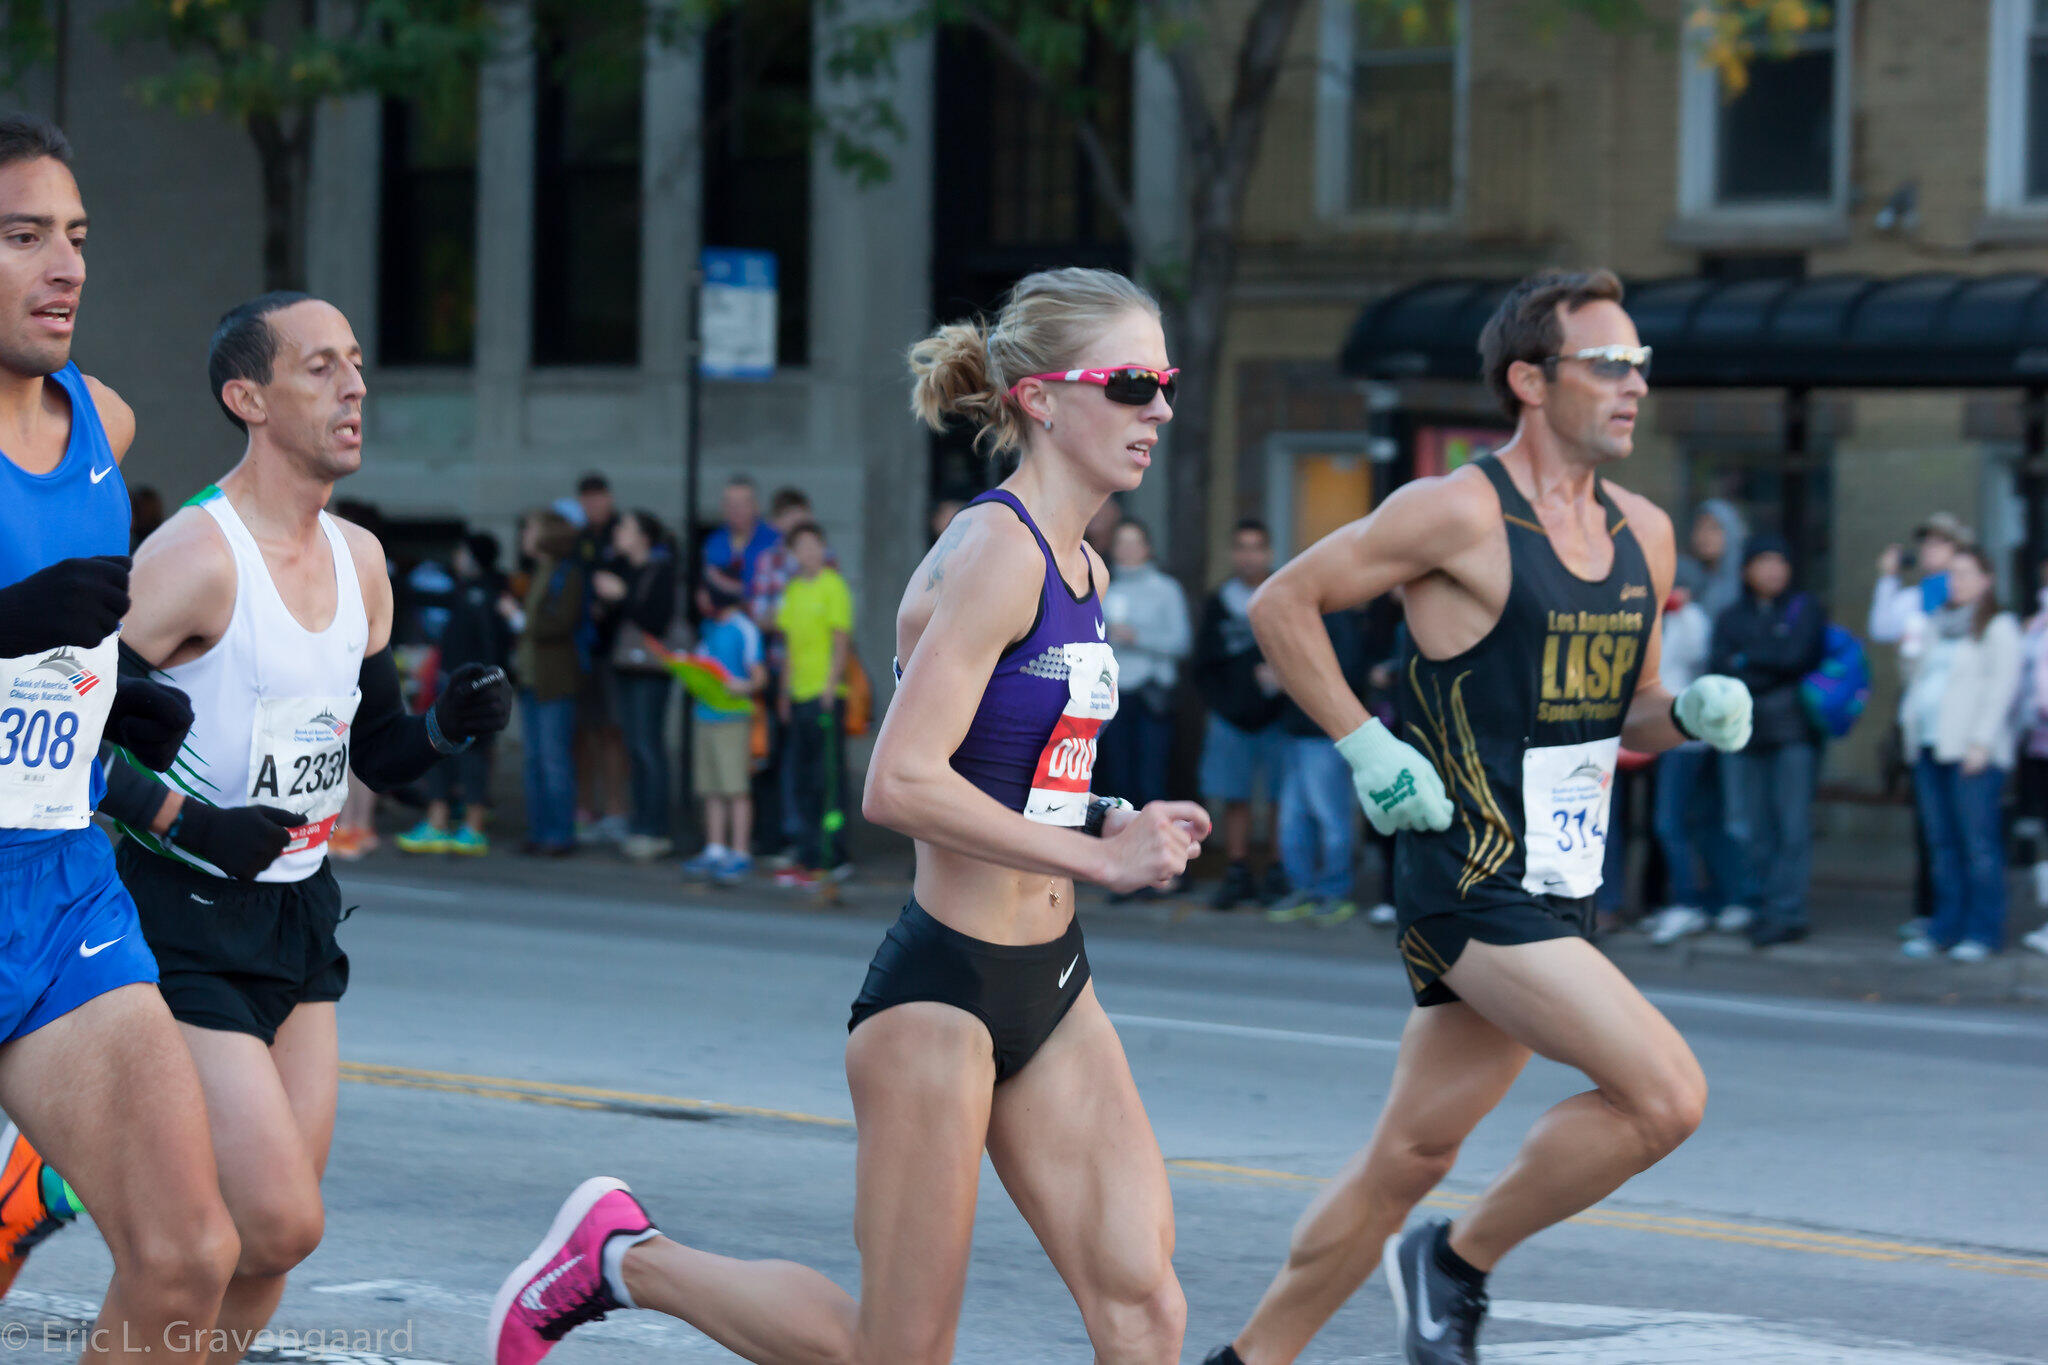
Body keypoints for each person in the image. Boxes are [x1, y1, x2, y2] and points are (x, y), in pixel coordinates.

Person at [490, 266, 1209, 1365]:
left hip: (1052, 979)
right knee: (895, 1351)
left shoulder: (1083, 567)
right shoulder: (995, 552)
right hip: (945, 996)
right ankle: (622, 1258)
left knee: (1146, 1309)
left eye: (1161, 380)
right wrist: (1096, 859)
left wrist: (1110, 818)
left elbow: (1019, 765)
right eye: (1128, 381)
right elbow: (900, 784)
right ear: (1042, 398)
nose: (1157, 405)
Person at [1204, 269, 1751, 1365]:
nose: (1632, 385)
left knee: (1403, 1156)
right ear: (1527, 381)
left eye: (1638, 364)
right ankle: (1451, 1264)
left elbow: (1624, 705)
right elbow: (1283, 604)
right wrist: (1363, 744)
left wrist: (1684, 714)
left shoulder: (1641, 532)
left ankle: (1245, 1361)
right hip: (1467, 877)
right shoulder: (1454, 510)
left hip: (1560, 881)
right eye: (1605, 364)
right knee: (1662, 1096)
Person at [32, 291, 513, 1358]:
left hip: (300, 920)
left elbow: (371, 750)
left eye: (356, 366)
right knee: (278, 1215)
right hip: (183, 922)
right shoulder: (195, 556)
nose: (353, 389)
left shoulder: (361, 562)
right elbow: (61, 725)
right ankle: (56, 1176)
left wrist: (443, 730)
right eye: (319, 368)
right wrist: (193, 825)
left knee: (266, 1247)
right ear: (246, 398)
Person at [0, 112, 245, 1346]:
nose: (67, 265)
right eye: (23, 235)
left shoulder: (103, 420)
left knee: (188, 1254)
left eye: (77, 236)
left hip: (59, 884)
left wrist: (112, 698)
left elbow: (66, 679)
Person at [1899, 546, 2021, 962]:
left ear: (1987, 580)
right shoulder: (1936, 623)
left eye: (1968, 573)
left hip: (1971, 751)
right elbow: (1919, 681)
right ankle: (1944, 928)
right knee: (1942, 844)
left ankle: (1982, 932)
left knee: (1978, 845)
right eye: (1953, 574)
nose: (1959, 582)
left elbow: (2002, 689)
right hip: (1931, 746)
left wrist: (1982, 742)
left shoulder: (1998, 626)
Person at [1708, 535, 1826, 949]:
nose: (1774, 570)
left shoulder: (1804, 608)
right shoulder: (1730, 615)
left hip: (1793, 733)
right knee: (1751, 827)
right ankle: (1759, 905)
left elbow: (1797, 658)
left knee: (1792, 826)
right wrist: (1765, 659)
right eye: (1764, 561)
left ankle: (1787, 911)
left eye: (1781, 561)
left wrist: (1748, 660)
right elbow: (1720, 666)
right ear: (1746, 570)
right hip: (1744, 733)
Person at [1641, 583, 1747, 944]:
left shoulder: (1690, 617)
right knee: (1696, 820)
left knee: (1671, 822)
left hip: (1684, 737)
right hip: (1663, 733)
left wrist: (1682, 610)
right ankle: (1719, 899)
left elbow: (1697, 657)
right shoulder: (1647, 613)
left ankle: (1690, 902)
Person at [397, 532, 513, 856]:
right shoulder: (464, 591)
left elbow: (494, 647)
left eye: (463, 552)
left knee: (473, 756)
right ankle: (439, 819)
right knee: (439, 749)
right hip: (453, 684)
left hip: (474, 686)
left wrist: (484, 686)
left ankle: (472, 826)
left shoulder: (488, 594)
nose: (458, 559)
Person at [1194, 519, 1289, 909]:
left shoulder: (1284, 596)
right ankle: (1237, 871)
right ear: (1234, 554)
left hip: (1279, 716)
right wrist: (1222, 704)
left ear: (1269, 553)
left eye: (1257, 548)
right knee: (1234, 797)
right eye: (1242, 548)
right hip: (1231, 719)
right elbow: (1203, 663)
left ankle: (1278, 872)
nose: (1249, 556)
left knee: (1280, 798)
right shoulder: (1219, 603)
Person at [1263, 608, 1368, 928]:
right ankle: (1303, 889)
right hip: (1295, 731)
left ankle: (1333, 893)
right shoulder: (1303, 616)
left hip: (1323, 734)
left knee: (1330, 817)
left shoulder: (1339, 621)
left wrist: (1286, 676)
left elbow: (1344, 673)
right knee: (1293, 820)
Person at [595, 510, 679, 862]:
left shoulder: (661, 570)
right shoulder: (619, 566)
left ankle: (654, 829)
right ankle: (638, 822)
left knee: (648, 747)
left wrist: (622, 595)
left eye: (625, 528)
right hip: (625, 667)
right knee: (633, 746)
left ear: (644, 536)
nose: (618, 532)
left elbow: (655, 622)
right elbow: (610, 627)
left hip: (651, 671)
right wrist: (606, 602)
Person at [774, 521, 853, 886]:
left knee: (828, 779)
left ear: (823, 548)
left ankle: (832, 855)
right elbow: (790, 649)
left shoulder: (833, 587)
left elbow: (840, 643)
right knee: (803, 779)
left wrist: (830, 687)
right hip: (799, 696)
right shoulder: (793, 591)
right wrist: (784, 694)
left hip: (825, 698)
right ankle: (807, 854)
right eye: (800, 547)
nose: (808, 553)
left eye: (813, 545)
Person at [1099, 517, 1189, 812]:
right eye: (1121, 542)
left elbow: (1181, 643)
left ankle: (1155, 849)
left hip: (1151, 693)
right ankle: (1120, 849)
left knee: (1152, 778)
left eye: (1134, 542)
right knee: (1116, 776)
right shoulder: (1102, 585)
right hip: (1110, 694)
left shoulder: (1166, 588)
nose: (1127, 549)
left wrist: (1137, 637)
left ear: (1147, 548)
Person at [679, 579, 765, 882]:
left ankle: (740, 852)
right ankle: (715, 848)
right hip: (705, 715)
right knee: (711, 787)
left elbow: (759, 676)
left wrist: (741, 685)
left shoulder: (744, 628)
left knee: (736, 787)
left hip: (733, 717)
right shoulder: (709, 627)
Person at [513, 509, 585, 857]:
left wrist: (519, 620)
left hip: (554, 679)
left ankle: (559, 833)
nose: (525, 535)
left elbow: (561, 623)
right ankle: (540, 831)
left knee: (553, 758)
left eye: (531, 528)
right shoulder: (539, 572)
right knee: (536, 759)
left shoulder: (566, 574)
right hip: (533, 677)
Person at [570, 472, 629, 845]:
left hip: (613, 651)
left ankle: (616, 809)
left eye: (599, 498)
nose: (594, 506)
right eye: (587, 499)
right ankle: (585, 807)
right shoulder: (577, 540)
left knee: (612, 732)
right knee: (582, 734)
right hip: (582, 650)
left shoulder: (622, 535)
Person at [702, 474, 781, 614]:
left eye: (742, 504)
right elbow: (706, 590)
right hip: (719, 623)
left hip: (763, 627)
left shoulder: (775, 541)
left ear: (756, 506)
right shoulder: (714, 541)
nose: (735, 509)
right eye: (730, 504)